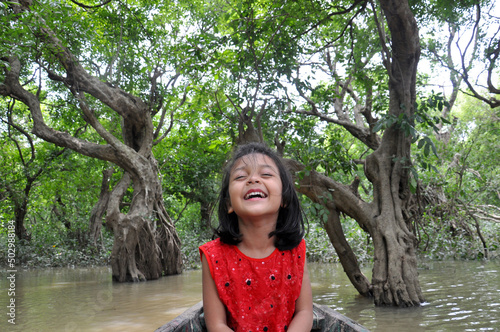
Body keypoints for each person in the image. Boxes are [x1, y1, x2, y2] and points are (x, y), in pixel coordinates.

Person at [199, 142, 313, 332]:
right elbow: (216, 325)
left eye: (266, 174)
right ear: (229, 204)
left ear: (284, 198)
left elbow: (305, 312)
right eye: (241, 176)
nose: (253, 180)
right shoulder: (212, 256)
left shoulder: (296, 249)